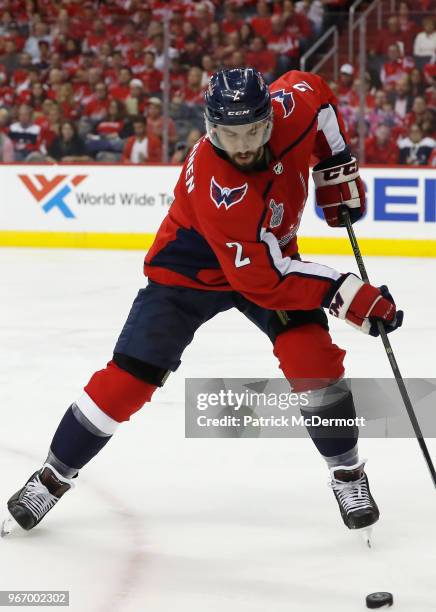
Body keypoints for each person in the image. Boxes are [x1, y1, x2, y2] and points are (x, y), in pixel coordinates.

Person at [4, 68, 403, 537]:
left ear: (270, 116)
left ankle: (347, 471)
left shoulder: (292, 106)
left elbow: (314, 92)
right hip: (191, 272)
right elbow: (266, 281)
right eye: (230, 134)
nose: (243, 145)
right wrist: (351, 296)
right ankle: (53, 475)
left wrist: (334, 167)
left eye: (253, 130)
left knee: (312, 360)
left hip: (269, 254)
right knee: (130, 377)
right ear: (211, 128)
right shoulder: (221, 186)